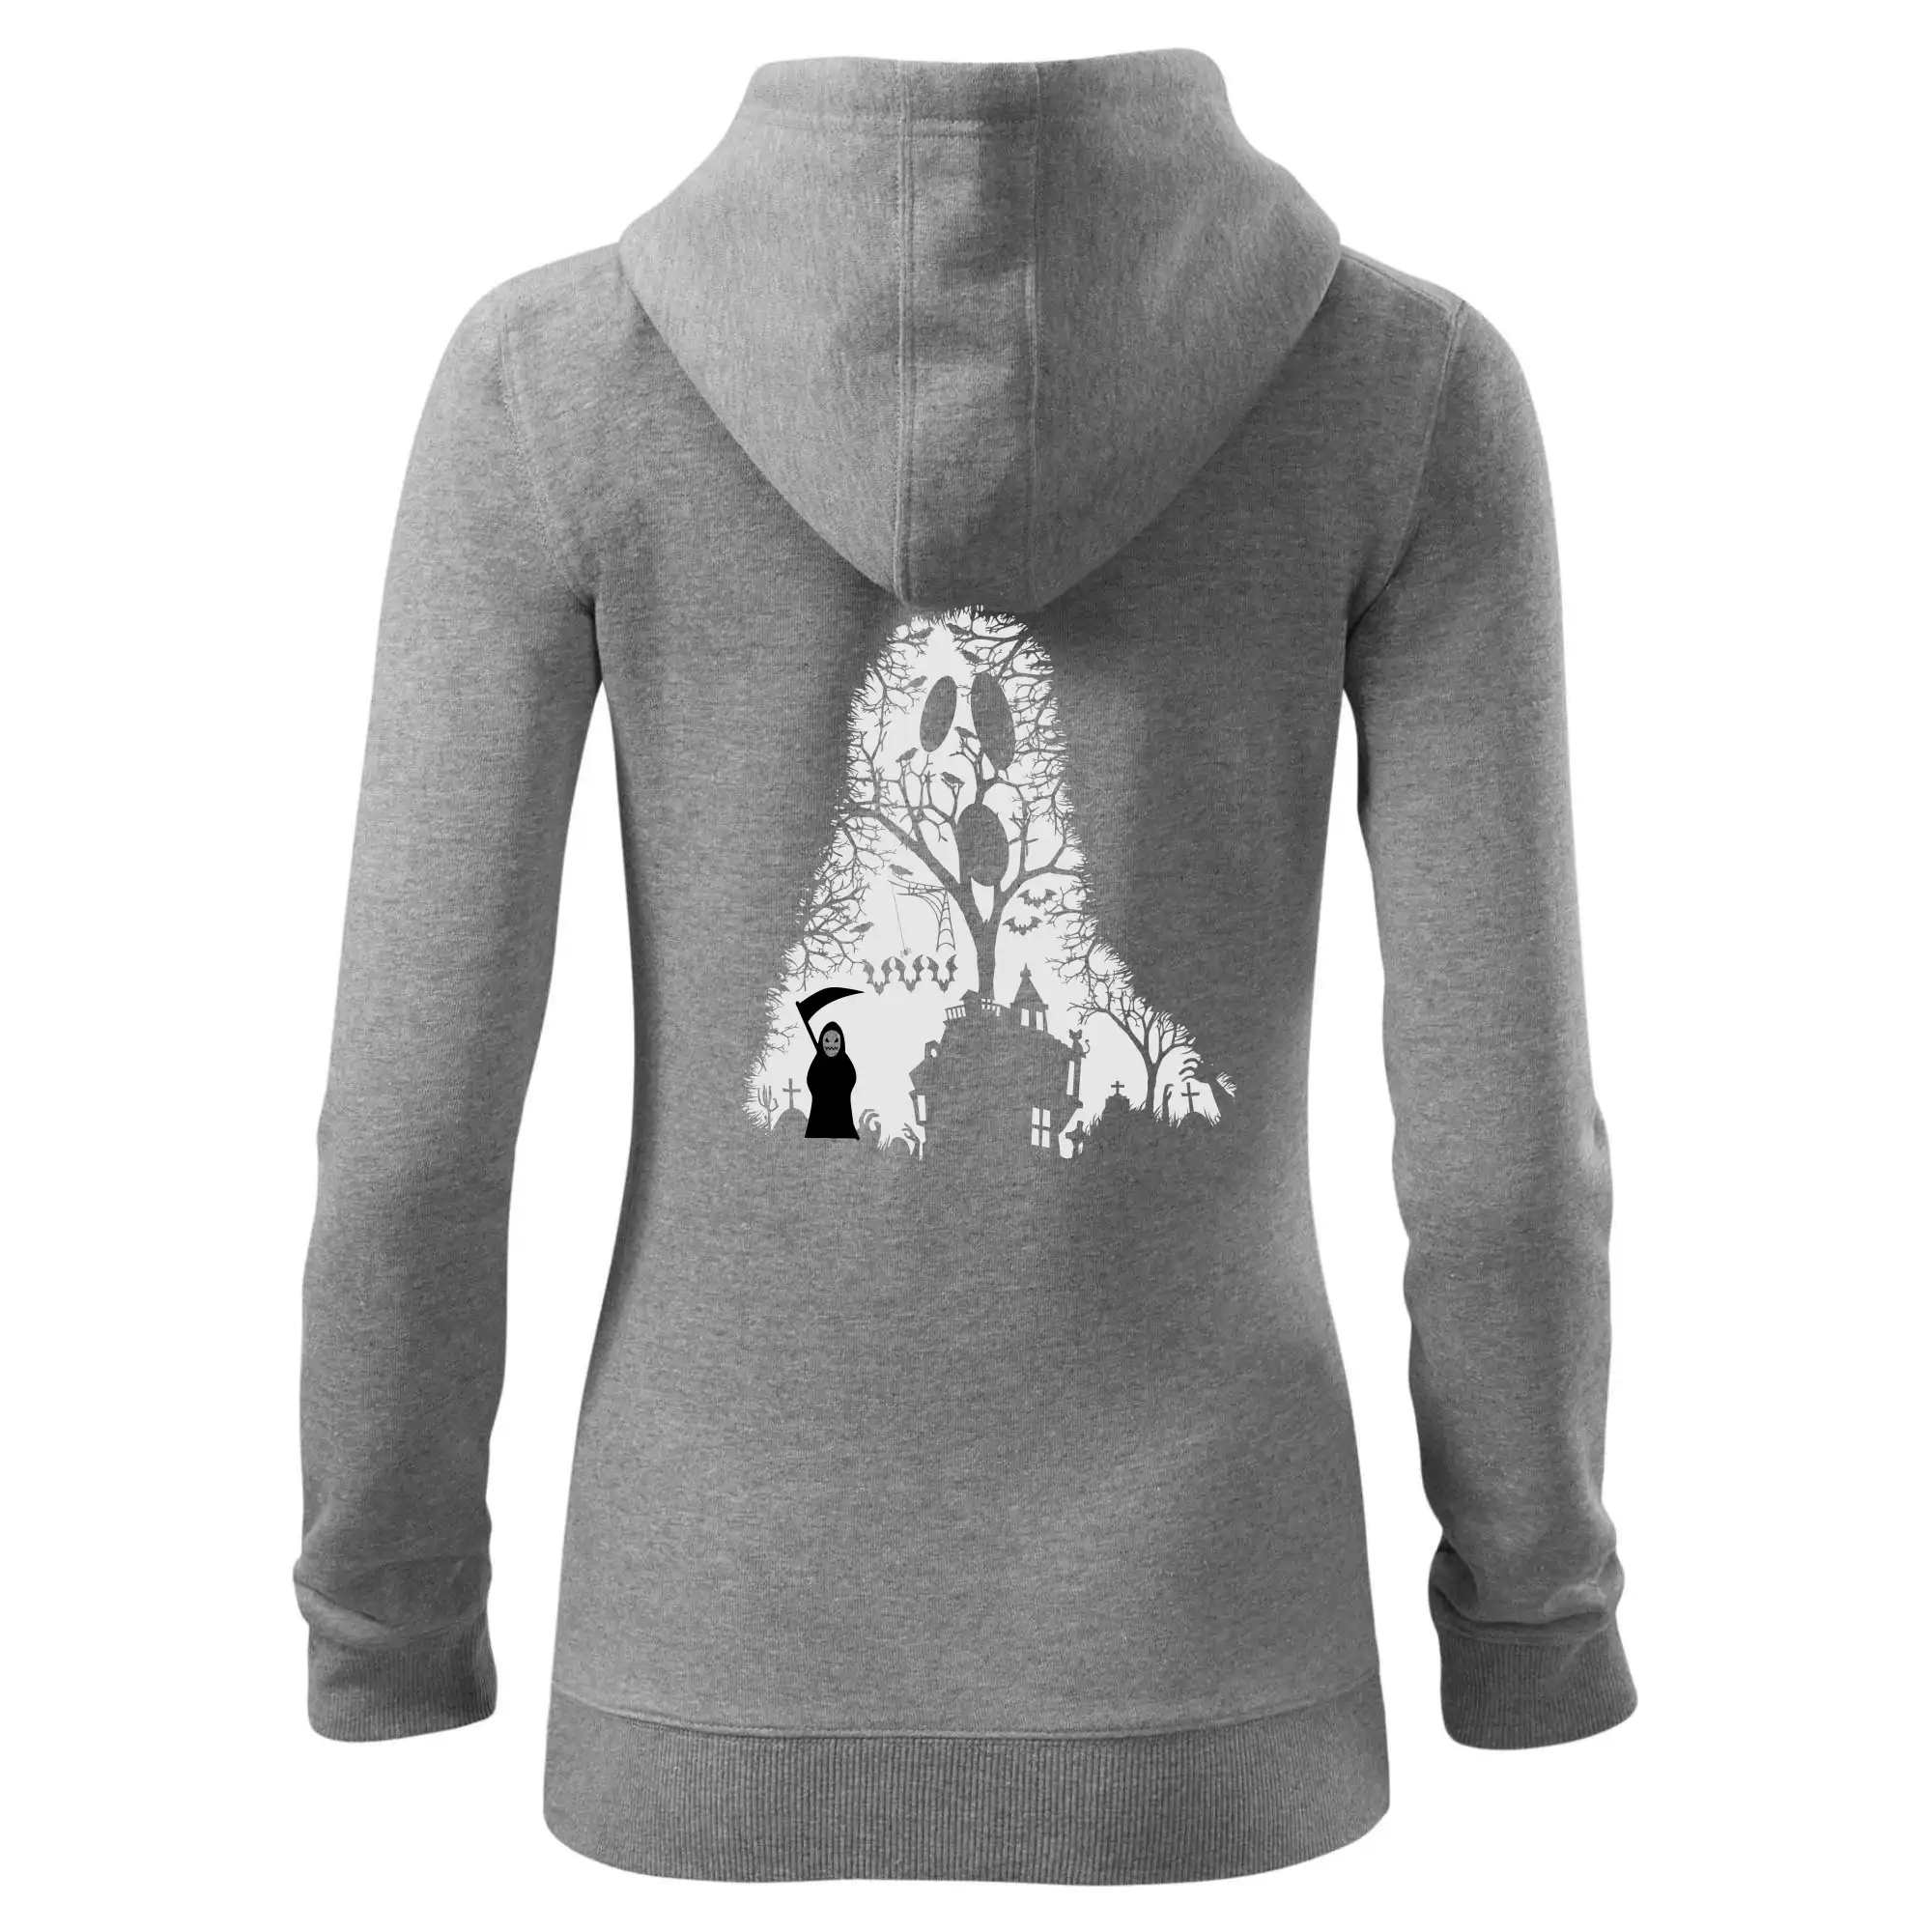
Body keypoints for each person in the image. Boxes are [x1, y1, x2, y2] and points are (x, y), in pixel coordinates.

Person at [803, 1022, 859, 1138]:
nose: (831, 1045)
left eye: (836, 1041)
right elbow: (811, 1081)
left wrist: (838, 1084)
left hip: (841, 1109)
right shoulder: (818, 1061)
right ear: (821, 1042)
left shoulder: (844, 1061)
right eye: (827, 1041)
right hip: (820, 1111)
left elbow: (851, 1078)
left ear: (841, 1042)